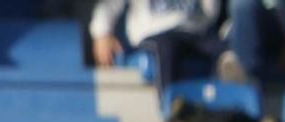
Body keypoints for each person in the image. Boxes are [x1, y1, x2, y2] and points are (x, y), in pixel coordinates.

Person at [89, 0, 229, 92]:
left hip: (191, 33)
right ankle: (170, 113)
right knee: (165, 49)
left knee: (223, 50)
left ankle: (231, 113)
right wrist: (102, 33)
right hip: (154, 34)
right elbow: (108, 5)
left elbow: (211, 12)